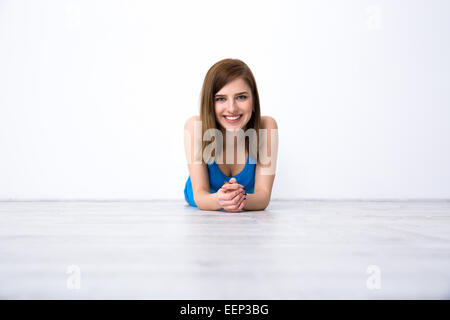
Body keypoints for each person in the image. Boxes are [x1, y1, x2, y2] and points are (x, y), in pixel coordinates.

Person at [184, 58, 278, 212]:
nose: (232, 108)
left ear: (253, 100)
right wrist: (220, 200)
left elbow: (263, 196)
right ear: (209, 103)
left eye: (241, 97)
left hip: (244, 200)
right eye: (221, 99)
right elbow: (200, 195)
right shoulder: (195, 126)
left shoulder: (267, 127)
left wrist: (238, 199)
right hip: (205, 201)